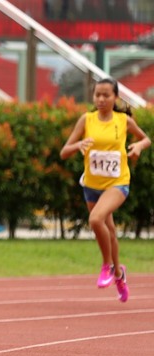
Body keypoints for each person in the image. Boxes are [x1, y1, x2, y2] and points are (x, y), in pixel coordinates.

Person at [60, 77, 151, 302]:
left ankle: (107, 265)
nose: (101, 99)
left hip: (117, 183)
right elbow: (64, 152)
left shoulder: (123, 121)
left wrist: (138, 146)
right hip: (92, 185)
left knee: (95, 220)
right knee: (109, 230)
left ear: (115, 97)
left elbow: (146, 139)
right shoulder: (86, 120)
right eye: (97, 95)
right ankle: (119, 274)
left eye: (106, 95)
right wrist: (78, 145)